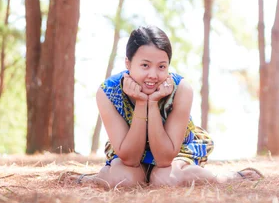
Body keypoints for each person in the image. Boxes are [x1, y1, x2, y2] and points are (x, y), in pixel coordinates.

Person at [78, 25, 262, 188]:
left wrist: (153, 102)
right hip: (129, 147)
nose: (153, 75)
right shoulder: (108, 92)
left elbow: (165, 158)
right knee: (123, 180)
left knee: (165, 179)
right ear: (128, 63)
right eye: (144, 65)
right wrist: (142, 103)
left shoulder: (181, 89)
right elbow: (130, 158)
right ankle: (94, 178)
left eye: (161, 66)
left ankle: (223, 178)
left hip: (175, 150)